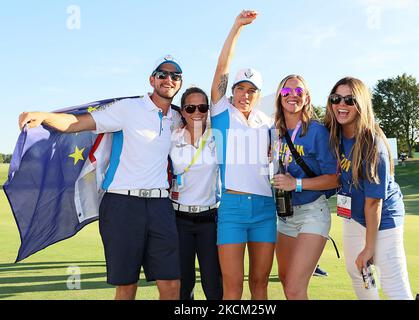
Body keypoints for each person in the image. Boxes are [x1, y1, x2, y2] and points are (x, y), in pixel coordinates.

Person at [18, 55, 184, 300]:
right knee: (126, 287)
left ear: (179, 83)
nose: (168, 79)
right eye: (162, 75)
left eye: (175, 76)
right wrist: (44, 116)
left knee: (171, 285)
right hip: (123, 205)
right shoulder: (129, 108)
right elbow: (79, 123)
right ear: (152, 80)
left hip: (161, 206)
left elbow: (216, 105)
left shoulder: (179, 117)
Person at [324, 76, 413, 300]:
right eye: (336, 98)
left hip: (383, 219)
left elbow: (374, 202)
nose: (341, 105)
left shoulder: (373, 145)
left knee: (393, 285)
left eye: (349, 100)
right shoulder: (333, 133)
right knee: (358, 272)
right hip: (353, 215)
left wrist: (369, 247)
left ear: (361, 103)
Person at [210, 10, 276, 300]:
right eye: (240, 88)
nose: (245, 95)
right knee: (233, 287)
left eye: (251, 90)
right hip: (232, 209)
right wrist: (236, 27)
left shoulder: (270, 123)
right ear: (232, 91)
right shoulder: (222, 112)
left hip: (265, 208)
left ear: (259, 94)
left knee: (260, 284)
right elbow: (222, 68)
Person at [272, 75, 339, 300]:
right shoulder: (275, 132)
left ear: (307, 98)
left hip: (313, 212)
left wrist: (296, 183)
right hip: (285, 214)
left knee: (294, 287)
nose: (293, 95)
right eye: (286, 92)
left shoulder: (317, 132)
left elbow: (335, 178)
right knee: (285, 279)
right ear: (279, 97)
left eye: (299, 92)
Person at [169, 87, 223, 300]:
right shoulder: (171, 138)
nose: (197, 112)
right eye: (191, 108)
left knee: (213, 284)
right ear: (182, 111)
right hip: (179, 219)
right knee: (183, 285)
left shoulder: (218, 138)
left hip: (209, 219)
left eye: (202, 107)